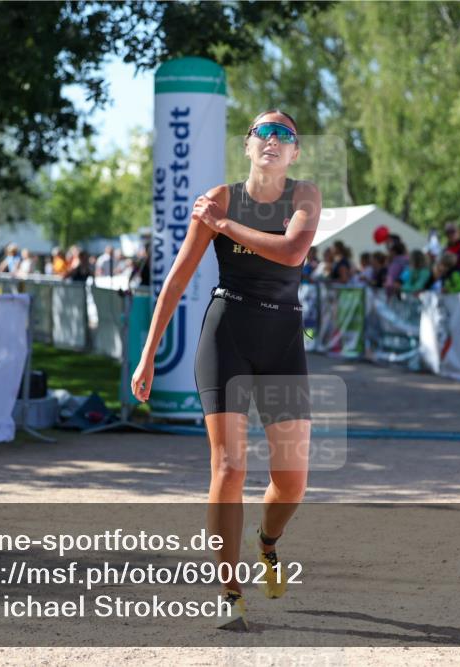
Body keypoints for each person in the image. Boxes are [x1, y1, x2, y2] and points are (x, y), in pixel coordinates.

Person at [131, 110, 319, 630]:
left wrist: (225, 228)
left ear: (295, 152)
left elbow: (292, 251)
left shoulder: (304, 196)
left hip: (282, 340)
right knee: (229, 468)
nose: (274, 141)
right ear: (248, 144)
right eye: (265, 132)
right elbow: (174, 281)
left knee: (292, 481)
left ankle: (268, 543)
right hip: (227, 333)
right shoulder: (219, 199)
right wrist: (148, 355)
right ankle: (229, 590)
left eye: (285, 135)